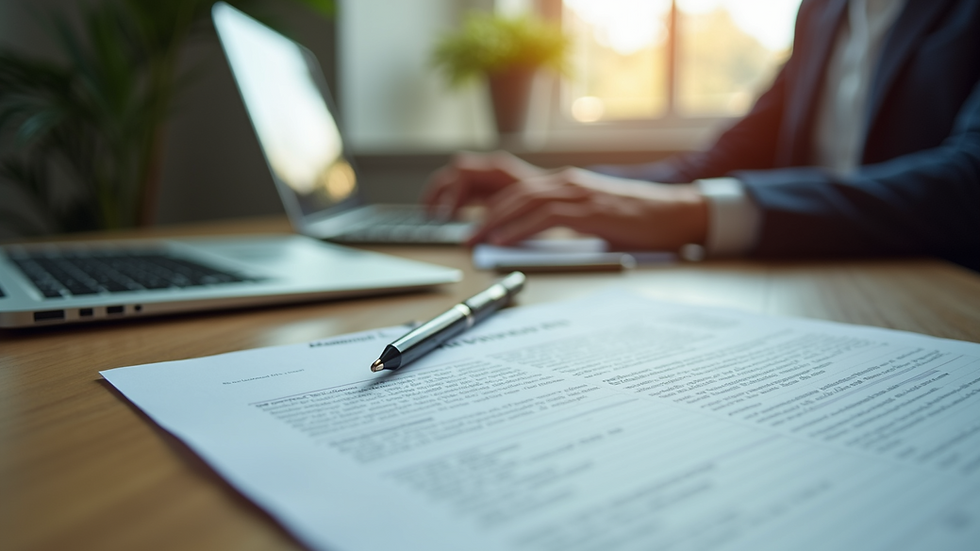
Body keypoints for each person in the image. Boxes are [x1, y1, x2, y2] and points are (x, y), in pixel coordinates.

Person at [422, 0, 980, 271]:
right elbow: (716, 162)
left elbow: (967, 181)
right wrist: (555, 189)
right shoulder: (823, 12)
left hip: (939, 298)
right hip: (813, 279)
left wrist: (697, 213)